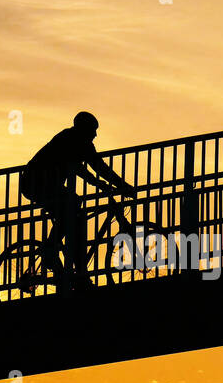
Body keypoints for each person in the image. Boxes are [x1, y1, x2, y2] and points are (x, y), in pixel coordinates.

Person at [20, 112, 136, 284]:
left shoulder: (82, 143)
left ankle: (78, 272)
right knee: (73, 206)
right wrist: (111, 185)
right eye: (93, 130)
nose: (95, 135)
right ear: (84, 129)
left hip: (46, 184)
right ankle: (52, 253)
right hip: (35, 183)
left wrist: (118, 185)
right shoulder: (69, 139)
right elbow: (79, 168)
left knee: (75, 219)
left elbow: (98, 166)